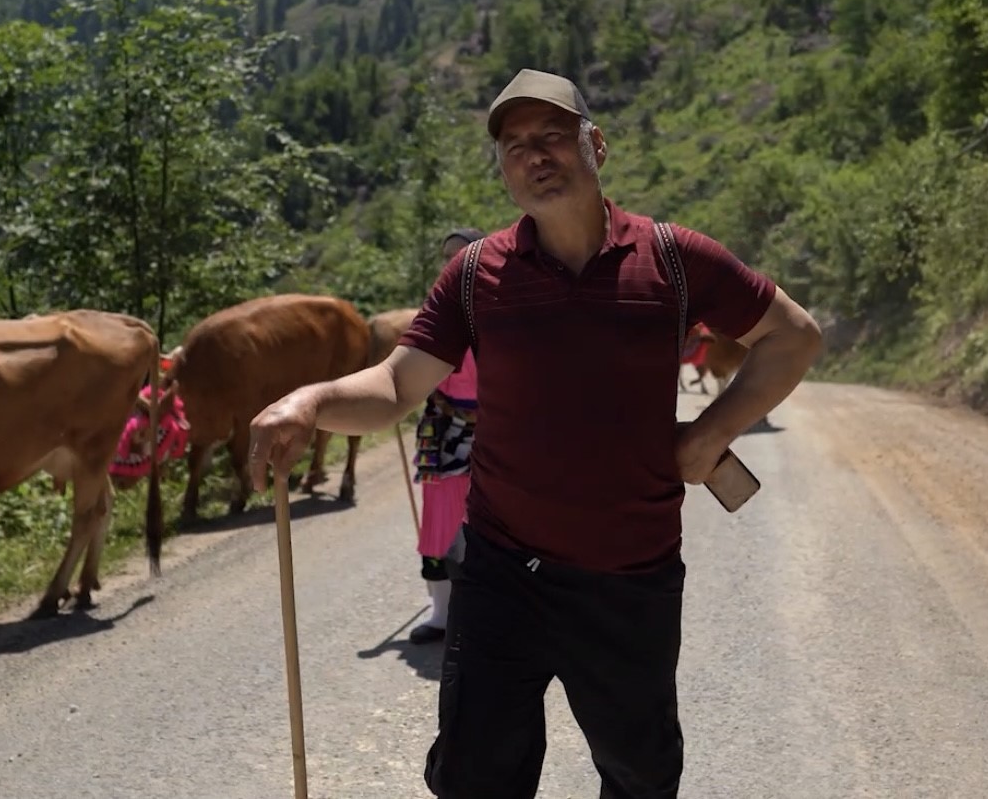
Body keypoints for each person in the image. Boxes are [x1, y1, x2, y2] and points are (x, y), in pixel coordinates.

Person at [247, 68, 826, 799]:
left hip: (628, 577)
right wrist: (307, 399)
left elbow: (792, 336)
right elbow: (396, 384)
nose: (534, 153)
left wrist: (709, 435)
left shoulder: (673, 259)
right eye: (514, 143)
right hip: (500, 573)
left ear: (597, 144)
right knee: (472, 776)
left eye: (553, 134)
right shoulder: (474, 274)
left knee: (640, 775)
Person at [409, 225, 486, 644]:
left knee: (491, 520)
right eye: (447, 256)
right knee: (439, 518)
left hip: (496, 428)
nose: (452, 262)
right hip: (442, 425)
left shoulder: (503, 310)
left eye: (462, 253)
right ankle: (441, 614)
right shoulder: (433, 312)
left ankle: (489, 610)